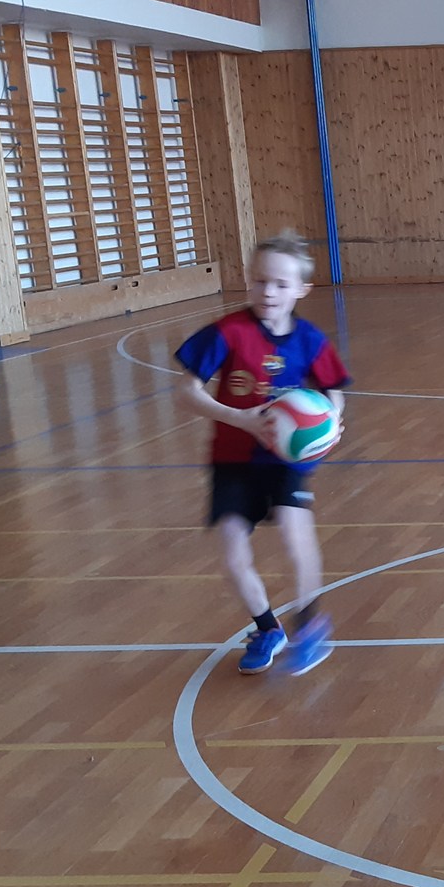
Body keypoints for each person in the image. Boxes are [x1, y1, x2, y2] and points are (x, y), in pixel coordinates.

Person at [175, 231, 349, 676]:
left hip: (285, 461)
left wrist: (331, 421)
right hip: (233, 461)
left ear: (301, 289)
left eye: (280, 284)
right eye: (259, 281)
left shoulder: (309, 340)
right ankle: (267, 628)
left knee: (296, 535)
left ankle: (310, 627)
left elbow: (333, 390)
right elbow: (187, 392)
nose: (267, 292)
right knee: (233, 556)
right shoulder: (228, 332)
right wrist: (242, 419)